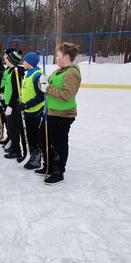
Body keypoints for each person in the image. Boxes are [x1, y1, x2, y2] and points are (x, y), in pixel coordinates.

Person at [35, 42, 82, 185]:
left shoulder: (72, 73)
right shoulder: (58, 71)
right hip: (51, 112)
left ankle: (58, 171)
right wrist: (41, 82)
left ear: (66, 57)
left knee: (58, 143)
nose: (56, 58)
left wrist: (47, 88)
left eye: (58, 55)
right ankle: (48, 166)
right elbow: (45, 86)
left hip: (63, 115)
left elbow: (67, 94)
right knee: (44, 138)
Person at [13, 52, 44, 169]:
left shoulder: (37, 75)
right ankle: (28, 155)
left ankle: (36, 160)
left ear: (30, 63)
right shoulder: (28, 73)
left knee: (33, 136)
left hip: (34, 111)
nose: (23, 62)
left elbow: (41, 96)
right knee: (25, 134)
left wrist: (27, 105)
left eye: (25, 61)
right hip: (26, 110)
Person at [2, 49, 25, 159]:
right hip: (8, 104)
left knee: (14, 129)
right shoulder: (10, 71)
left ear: (12, 61)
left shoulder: (15, 72)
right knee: (11, 128)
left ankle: (17, 150)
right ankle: (14, 147)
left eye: (8, 59)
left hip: (14, 106)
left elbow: (16, 91)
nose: (5, 60)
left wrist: (11, 105)